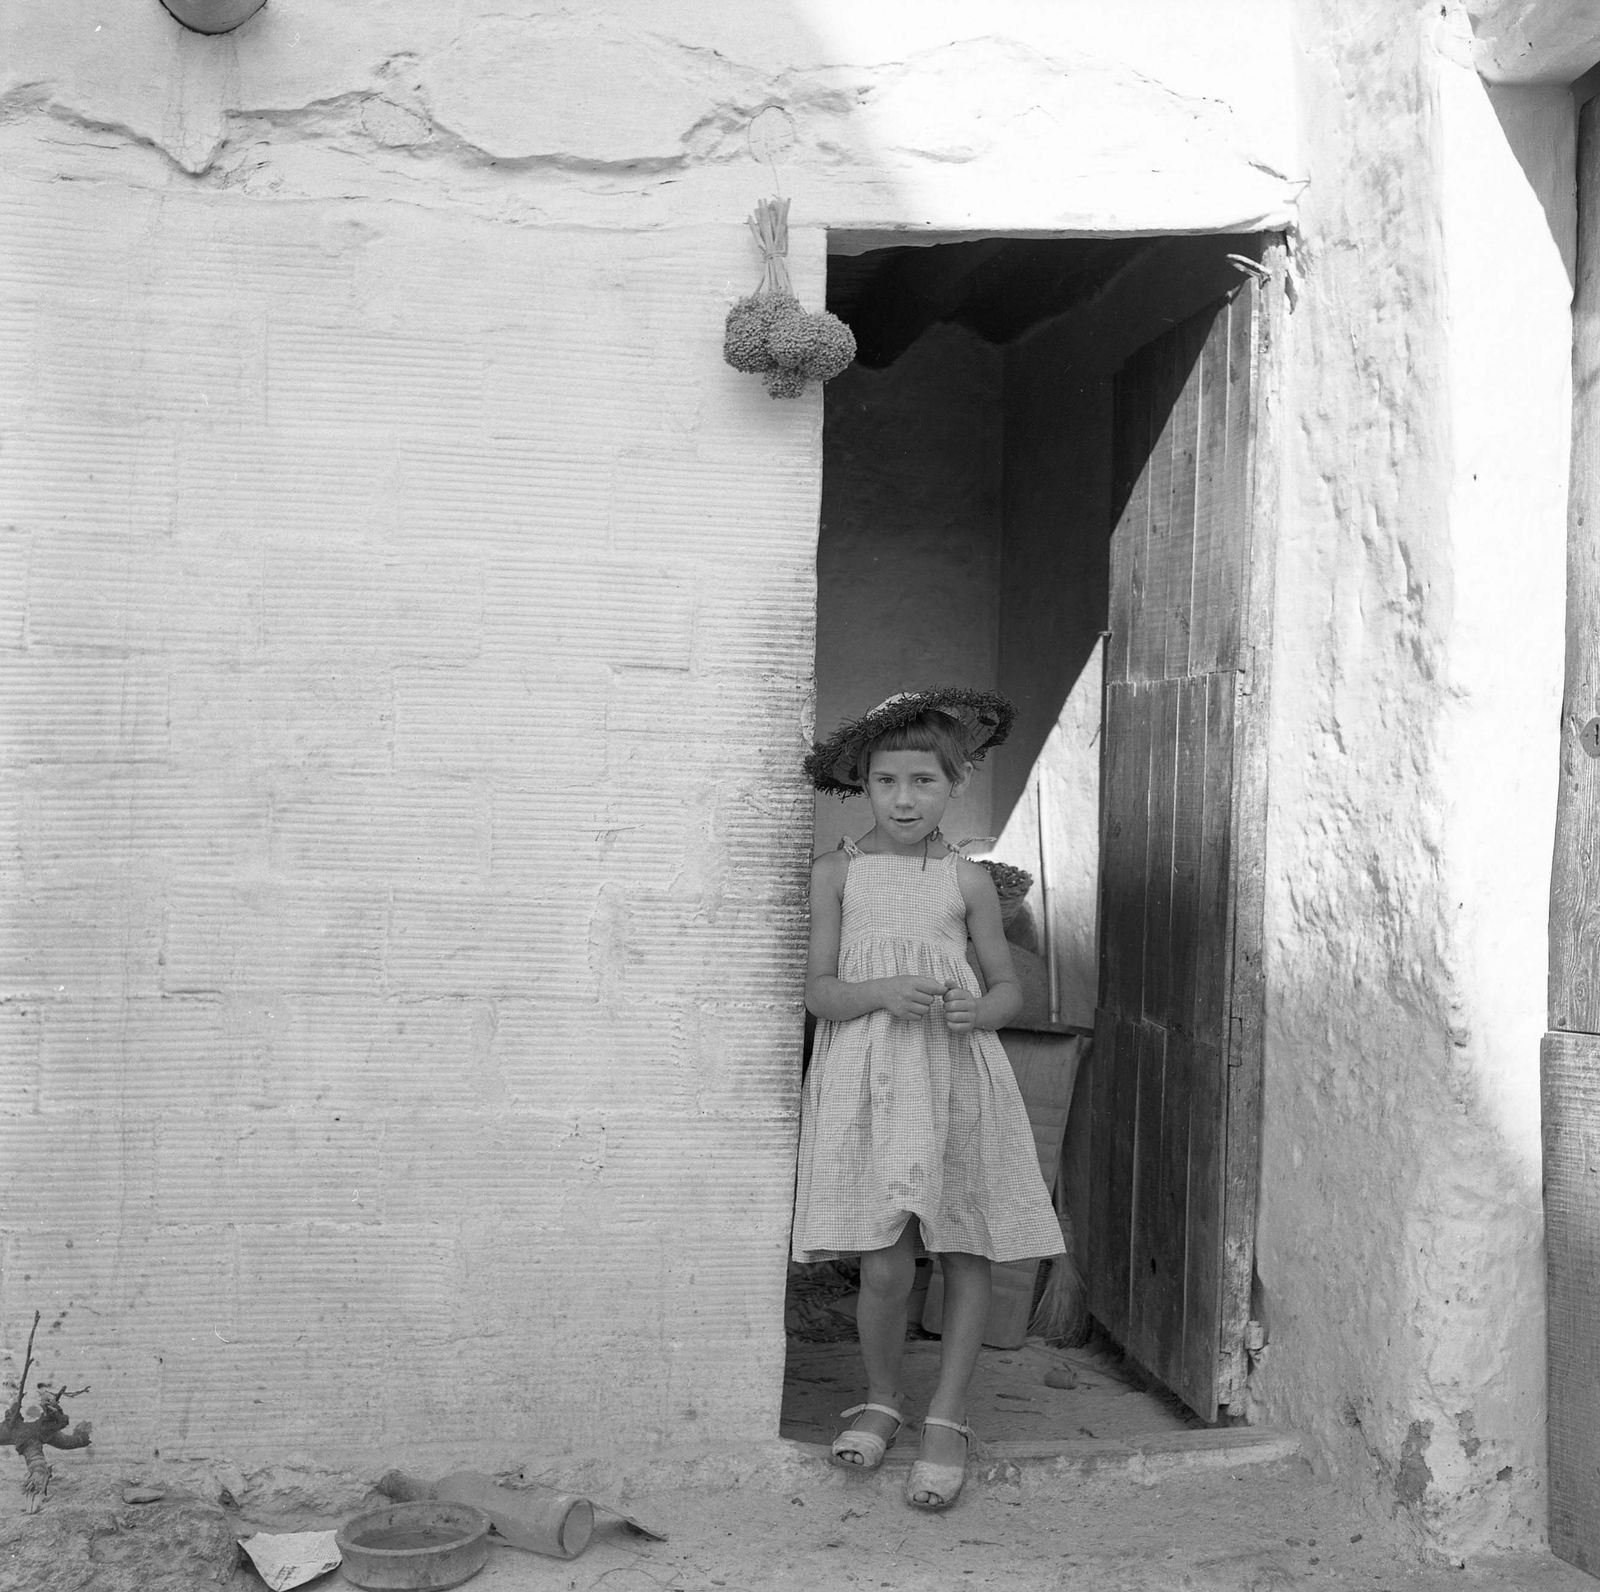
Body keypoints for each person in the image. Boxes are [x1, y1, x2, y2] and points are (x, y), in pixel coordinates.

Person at [794, 688, 1065, 1512]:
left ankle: (946, 1417)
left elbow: (1010, 988)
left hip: (956, 1077)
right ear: (863, 786)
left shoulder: (969, 881)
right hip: (870, 1080)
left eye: (924, 782)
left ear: (955, 786)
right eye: (886, 782)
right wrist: (879, 990)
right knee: (882, 1260)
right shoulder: (836, 874)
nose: (904, 799)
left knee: (963, 1246)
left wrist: (977, 1009)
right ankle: (882, 1397)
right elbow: (819, 992)